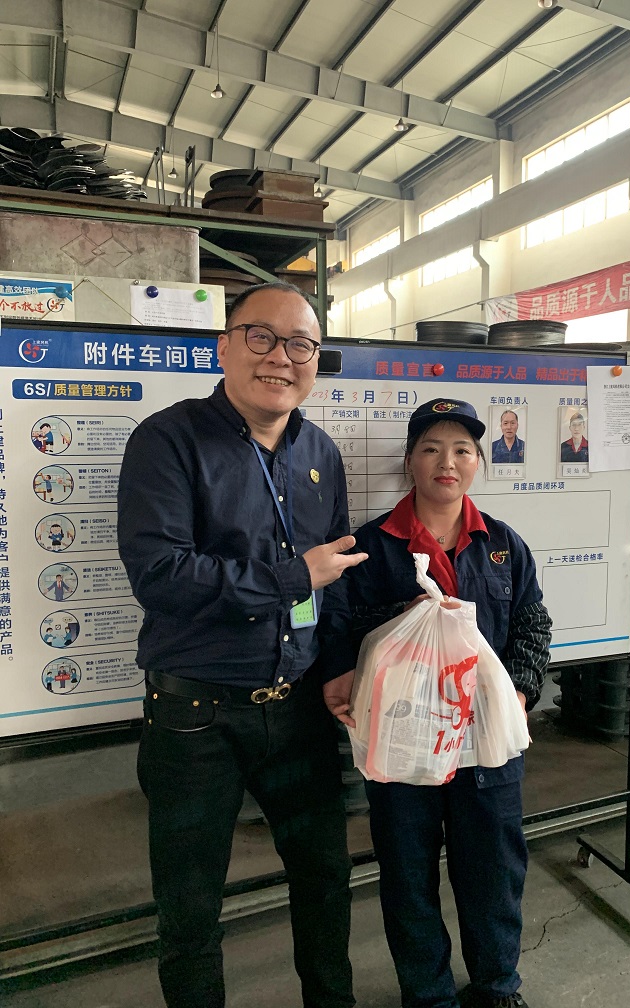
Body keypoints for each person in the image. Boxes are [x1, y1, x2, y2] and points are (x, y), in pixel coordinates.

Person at [117, 281, 367, 1008]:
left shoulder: (320, 451)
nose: (281, 357)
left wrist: (340, 665)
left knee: (326, 877)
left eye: (301, 345)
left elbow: (335, 576)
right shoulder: (167, 441)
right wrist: (292, 577)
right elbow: (161, 575)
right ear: (224, 347)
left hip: (299, 710)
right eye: (261, 337)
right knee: (191, 908)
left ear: (315, 361)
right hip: (196, 720)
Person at [322, 398, 552, 1008]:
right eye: (430, 449)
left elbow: (532, 624)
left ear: (477, 461)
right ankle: (427, 995)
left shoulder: (502, 545)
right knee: (407, 875)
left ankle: (497, 986)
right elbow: (338, 626)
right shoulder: (370, 547)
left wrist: (519, 691)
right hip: (403, 742)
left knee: (494, 871)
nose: (446, 462)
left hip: (485, 741)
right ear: (409, 461)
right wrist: (393, 628)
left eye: (461, 450)